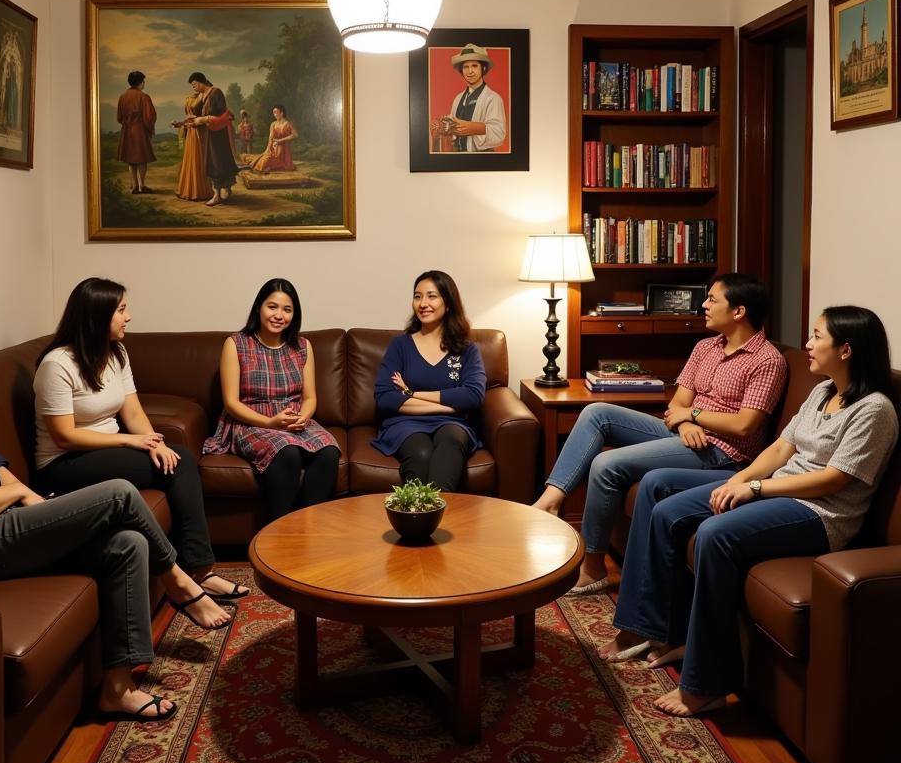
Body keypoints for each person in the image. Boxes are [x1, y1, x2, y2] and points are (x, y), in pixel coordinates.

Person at [0, 296, 232, 722]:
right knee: (119, 492)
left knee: (127, 543)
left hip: (2, 521)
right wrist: (17, 497)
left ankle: (117, 688)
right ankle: (176, 580)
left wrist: (29, 499)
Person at [599, 306, 898, 718]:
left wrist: (756, 486)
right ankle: (665, 632)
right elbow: (779, 449)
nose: (807, 344)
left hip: (820, 515)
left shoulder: (875, 410)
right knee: (668, 510)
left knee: (714, 535)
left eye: (817, 337)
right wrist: (737, 482)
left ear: (846, 349)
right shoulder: (823, 391)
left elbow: (833, 480)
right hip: (778, 490)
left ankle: (708, 685)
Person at [534, 273, 787, 593]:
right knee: (596, 413)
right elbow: (678, 403)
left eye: (712, 300)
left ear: (738, 312)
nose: (704, 305)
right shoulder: (706, 347)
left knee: (605, 464)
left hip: (723, 451)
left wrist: (693, 415)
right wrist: (685, 422)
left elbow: (744, 424)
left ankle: (593, 568)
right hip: (690, 434)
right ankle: (551, 501)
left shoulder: (767, 361)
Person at [33, 278, 248, 601]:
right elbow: (64, 436)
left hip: (105, 450)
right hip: (63, 464)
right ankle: (202, 572)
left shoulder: (116, 353)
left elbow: (132, 412)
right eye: (121, 310)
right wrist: (128, 443)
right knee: (182, 465)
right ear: (97, 316)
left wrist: (154, 443)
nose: (128, 317)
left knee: (177, 458)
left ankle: (200, 569)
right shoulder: (57, 365)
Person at [203, 278, 340, 520]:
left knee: (329, 451)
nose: (279, 315)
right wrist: (269, 423)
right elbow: (231, 403)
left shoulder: (302, 346)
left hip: (293, 420)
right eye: (272, 307)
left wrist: (303, 418)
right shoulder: (236, 344)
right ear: (259, 307)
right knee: (287, 451)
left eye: (287, 310)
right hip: (250, 421)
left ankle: (309, 527)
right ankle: (279, 531)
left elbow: (309, 398)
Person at [372, 270, 486, 491]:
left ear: (449, 303)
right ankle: (417, 519)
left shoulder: (467, 349)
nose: (423, 303)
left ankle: (440, 516)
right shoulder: (400, 346)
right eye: (417, 296)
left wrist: (411, 393)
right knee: (421, 452)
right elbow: (384, 397)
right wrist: (451, 406)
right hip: (404, 424)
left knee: (451, 442)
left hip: (454, 424)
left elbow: (473, 396)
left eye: (432, 296)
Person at [431, 43, 506, 152]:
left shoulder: (493, 98)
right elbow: (452, 133)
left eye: (474, 66)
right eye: (466, 67)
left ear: (483, 68)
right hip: (458, 158)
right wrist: (445, 125)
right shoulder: (458, 98)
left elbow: (499, 134)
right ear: (461, 71)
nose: (470, 71)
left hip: (484, 159)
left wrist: (472, 128)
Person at [186, 71, 238, 206]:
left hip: (219, 134)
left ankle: (219, 194)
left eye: (194, 84)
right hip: (210, 134)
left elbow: (221, 113)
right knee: (214, 162)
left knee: (219, 161)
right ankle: (219, 193)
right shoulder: (203, 96)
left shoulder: (216, 93)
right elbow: (197, 113)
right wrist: (191, 120)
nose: (194, 88)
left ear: (201, 81)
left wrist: (202, 119)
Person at [116, 70, 157, 195]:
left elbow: (119, 117)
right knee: (141, 160)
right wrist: (150, 128)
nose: (144, 83)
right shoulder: (144, 97)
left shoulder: (122, 96)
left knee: (131, 160)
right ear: (140, 82)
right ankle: (141, 186)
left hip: (127, 131)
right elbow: (149, 117)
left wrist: (127, 124)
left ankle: (134, 186)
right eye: (143, 81)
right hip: (139, 130)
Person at [173, 92, 210, 201]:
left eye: (196, 83)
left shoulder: (205, 99)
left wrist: (193, 123)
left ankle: (199, 191)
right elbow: (188, 119)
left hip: (200, 133)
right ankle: (188, 190)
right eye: (193, 84)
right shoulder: (188, 99)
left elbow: (206, 119)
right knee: (190, 160)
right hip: (191, 134)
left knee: (199, 160)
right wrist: (180, 124)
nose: (194, 86)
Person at [249, 104, 298, 173]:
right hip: (274, 148)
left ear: (281, 113)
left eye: (276, 112)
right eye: (273, 112)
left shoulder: (287, 123)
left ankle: (272, 166)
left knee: (269, 163)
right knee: (263, 160)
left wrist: (280, 140)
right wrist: (268, 148)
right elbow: (271, 137)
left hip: (284, 150)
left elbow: (295, 135)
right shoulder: (273, 124)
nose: (274, 114)